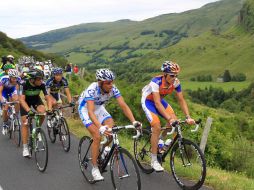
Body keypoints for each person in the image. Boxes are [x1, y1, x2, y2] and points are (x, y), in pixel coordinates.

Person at [78, 68, 142, 181]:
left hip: (100, 109)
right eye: (108, 83)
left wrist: (134, 121)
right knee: (97, 136)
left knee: (112, 131)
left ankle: (102, 150)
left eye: (112, 82)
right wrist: (100, 127)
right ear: (100, 83)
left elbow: (123, 105)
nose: (111, 85)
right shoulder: (92, 89)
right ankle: (95, 168)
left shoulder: (113, 88)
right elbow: (91, 112)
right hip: (86, 110)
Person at [141, 61, 195, 172]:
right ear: (165, 74)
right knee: (156, 126)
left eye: (176, 75)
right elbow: (156, 103)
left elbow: (181, 100)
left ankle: (160, 141)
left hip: (160, 101)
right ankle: (154, 160)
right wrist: (169, 119)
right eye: (172, 75)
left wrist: (188, 116)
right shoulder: (156, 82)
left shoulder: (176, 83)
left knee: (174, 121)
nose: (174, 78)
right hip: (148, 101)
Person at [19, 68, 51, 157]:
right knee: (25, 122)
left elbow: (47, 97)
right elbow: (21, 100)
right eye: (39, 79)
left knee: (42, 112)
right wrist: (29, 111)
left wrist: (50, 109)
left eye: (41, 78)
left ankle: (38, 129)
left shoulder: (42, 84)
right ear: (32, 79)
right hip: (25, 101)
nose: (41, 80)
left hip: (36, 100)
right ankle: (25, 147)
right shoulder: (24, 84)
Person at [0, 69, 21, 135]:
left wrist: (16, 98)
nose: (15, 79)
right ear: (9, 77)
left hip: (12, 90)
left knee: (17, 101)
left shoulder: (18, 79)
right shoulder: (4, 79)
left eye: (16, 78)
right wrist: (2, 101)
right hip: (4, 91)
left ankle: (16, 116)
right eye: (13, 78)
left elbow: (17, 90)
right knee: (5, 108)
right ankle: (5, 124)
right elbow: (0, 92)